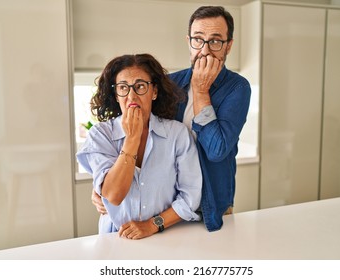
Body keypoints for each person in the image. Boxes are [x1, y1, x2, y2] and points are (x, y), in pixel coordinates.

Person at [91, 6, 251, 232]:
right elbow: (136, 127)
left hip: (210, 204)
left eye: (215, 41)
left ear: (229, 45)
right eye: (198, 40)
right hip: (166, 206)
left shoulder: (237, 87)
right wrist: (102, 185)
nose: (205, 50)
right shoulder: (170, 84)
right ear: (189, 41)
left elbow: (217, 150)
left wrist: (201, 91)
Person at [77, 54, 202, 239]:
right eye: (123, 88)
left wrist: (152, 225)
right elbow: (113, 195)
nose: (131, 96)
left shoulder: (178, 134)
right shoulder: (100, 134)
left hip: (168, 236)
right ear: (116, 94)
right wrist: (132, 139)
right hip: (116, 239)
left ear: (154, 92)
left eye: (140, 86)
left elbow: (190, 198)